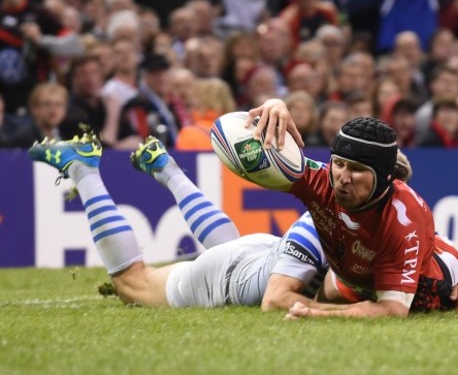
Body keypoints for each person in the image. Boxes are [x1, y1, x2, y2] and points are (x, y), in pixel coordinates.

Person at [246, 99, 458, 319]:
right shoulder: (320, 178)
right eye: (339, 164)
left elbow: (393, 310)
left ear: (384, 176)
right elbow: (253, 153)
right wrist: (273, 106)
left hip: (425, 288)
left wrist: (314, 314)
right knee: (337, 290)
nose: (343, 178)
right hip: (356, 272)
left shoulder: (405, 215)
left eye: (357, 170)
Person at [28, 130, 328, 311]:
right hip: (240, 273)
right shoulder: (337, 221)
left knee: (233, 252)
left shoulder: (340, 205)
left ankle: (166, 169)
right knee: (130, 283)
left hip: (263, 253)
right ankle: (81, 168)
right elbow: (280, 300)